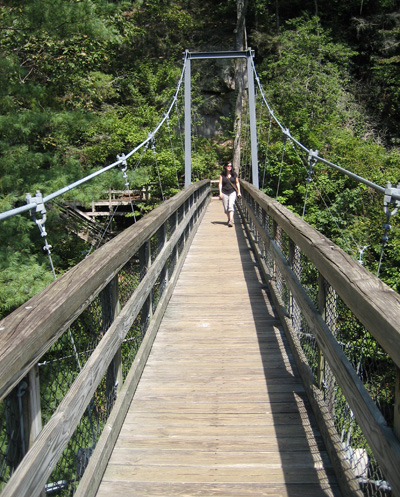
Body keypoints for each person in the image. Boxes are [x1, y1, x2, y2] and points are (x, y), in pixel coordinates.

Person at [219, 161, 241, 227]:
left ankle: (231, 220)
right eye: (228, 166)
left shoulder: (234, 174)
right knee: (226, 208)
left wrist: (239, 192)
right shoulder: (222, 175)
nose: (229, 167)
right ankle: (229, 219)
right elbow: (220, 183)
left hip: (232, 192)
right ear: (225, 166)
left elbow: (237, 183)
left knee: (231, 205)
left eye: (231, 166)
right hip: (224, 192)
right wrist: (220, 193)